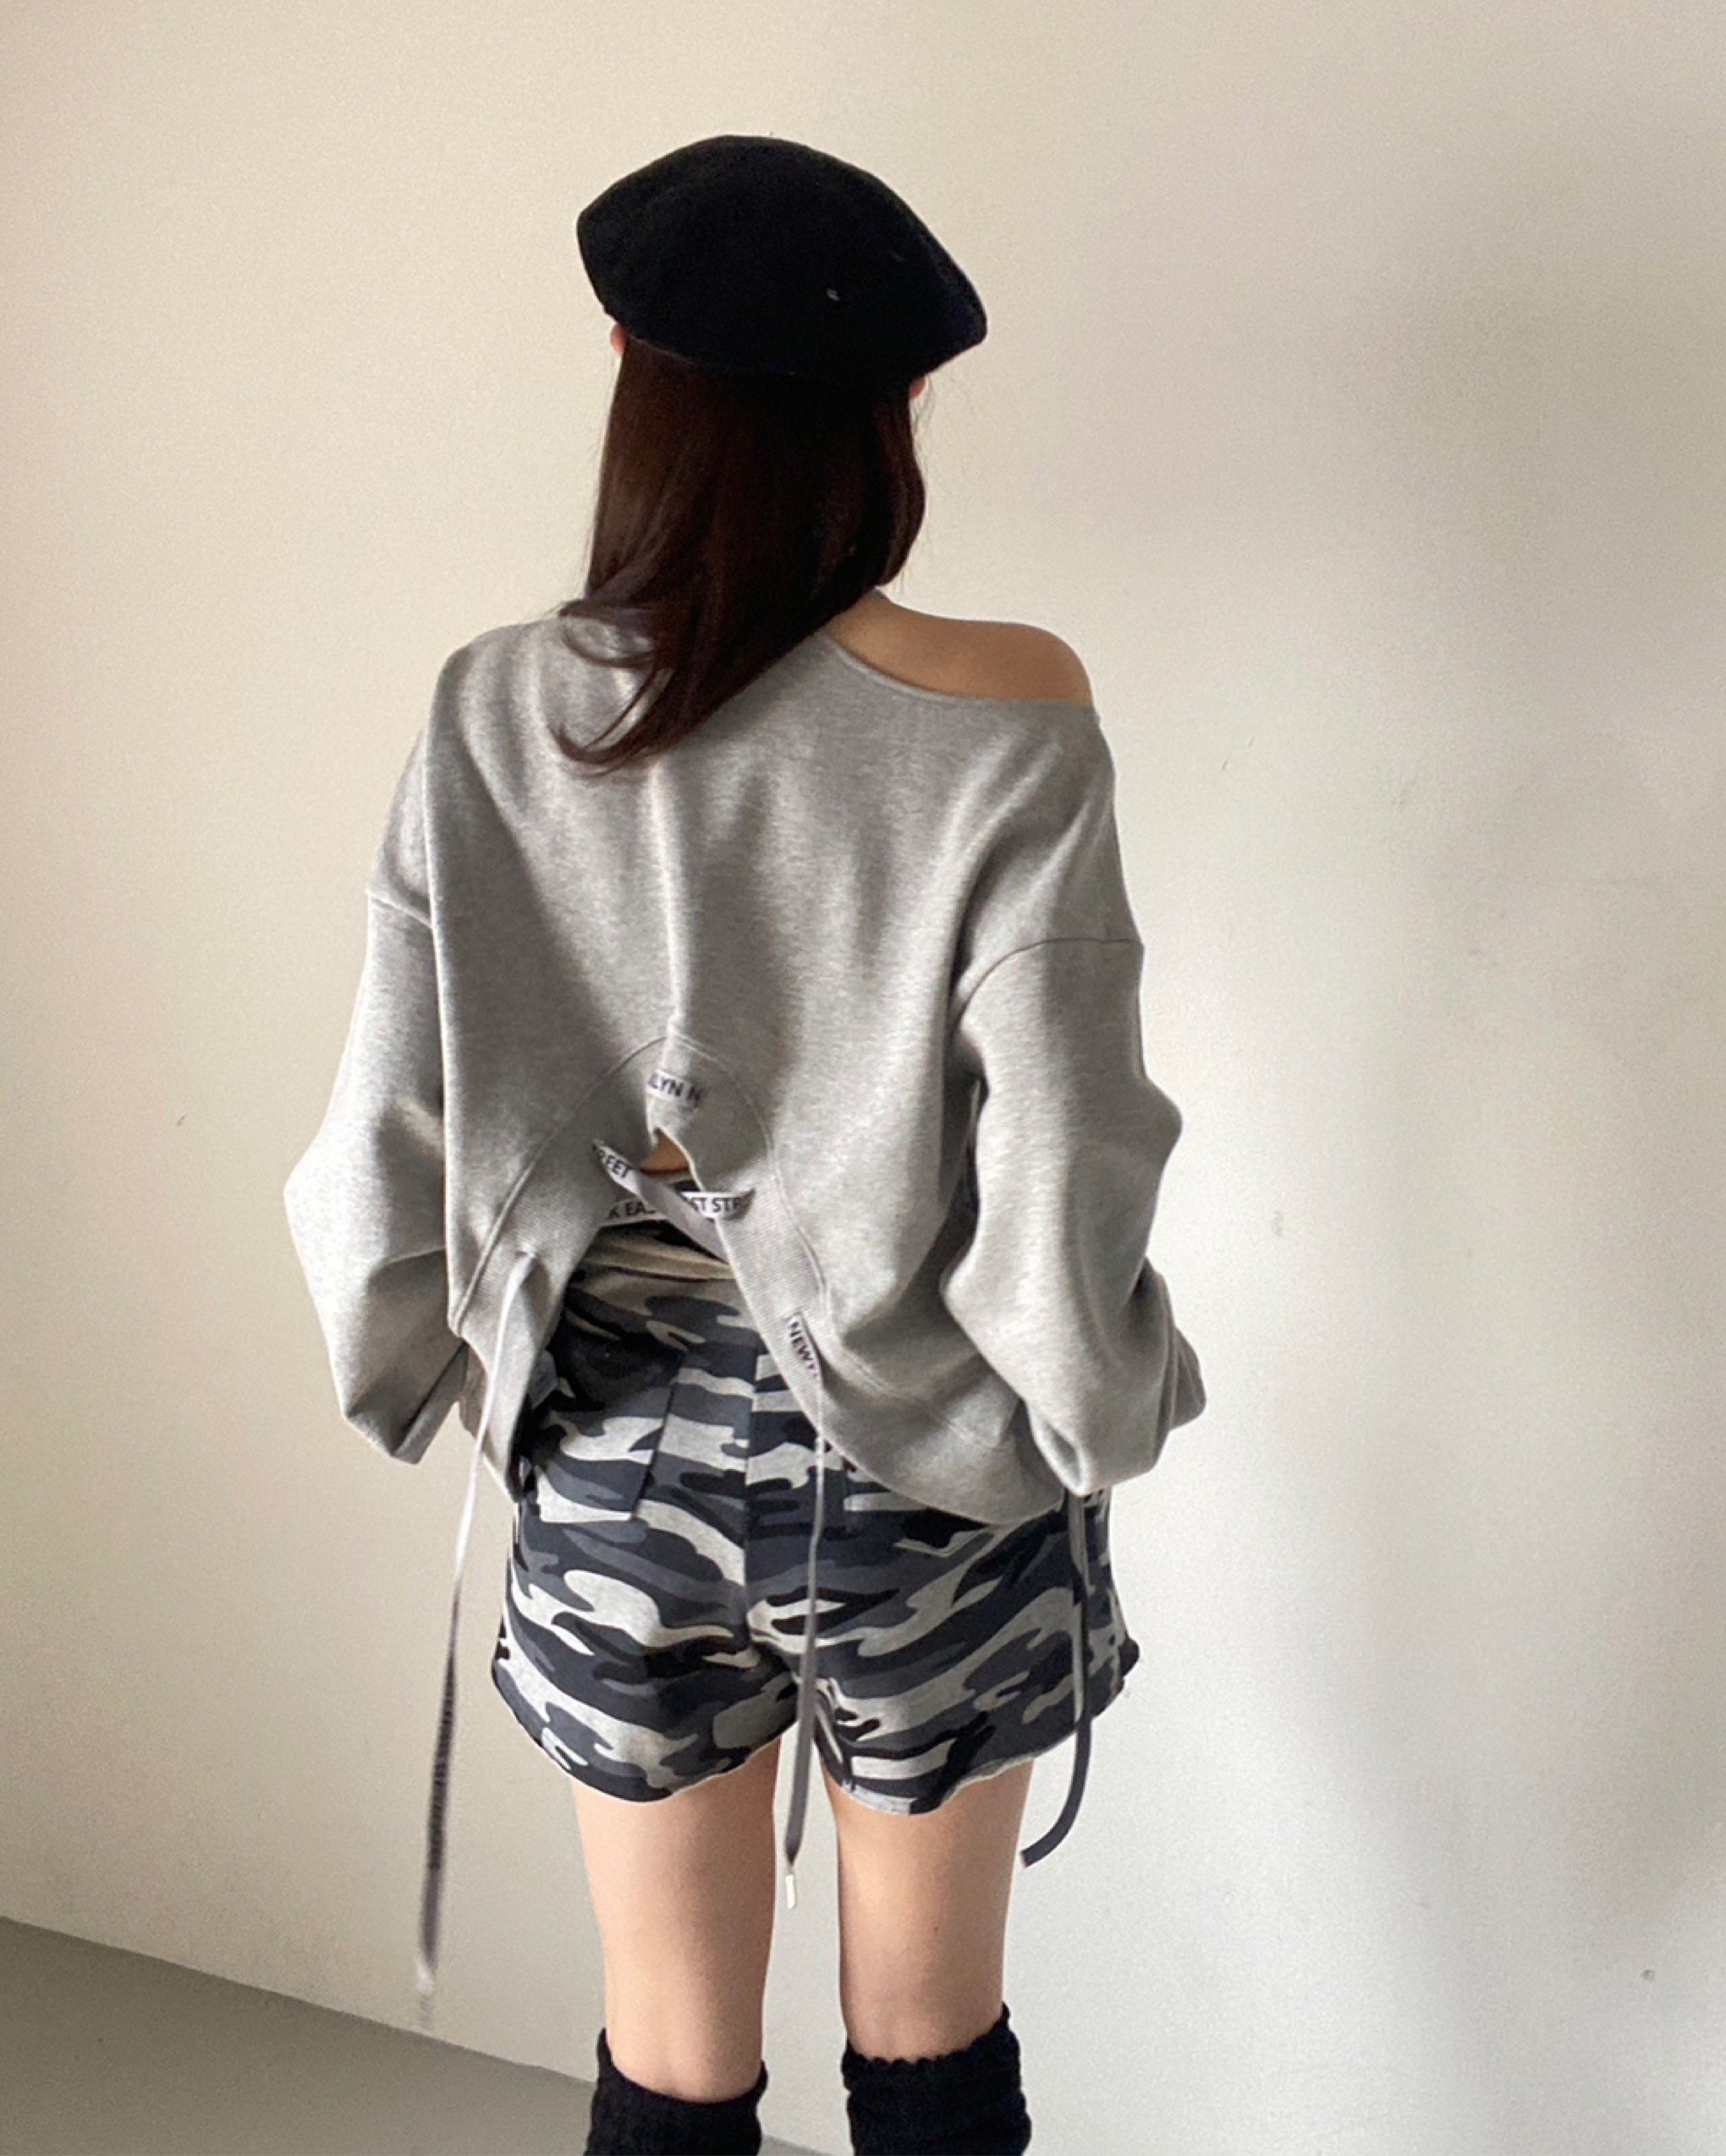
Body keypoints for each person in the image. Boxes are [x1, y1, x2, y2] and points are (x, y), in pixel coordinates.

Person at [283, 133, 1207, 2156]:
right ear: (893, 410)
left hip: (617, 1462)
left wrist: (431, 1367)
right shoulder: (1012, 708)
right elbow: (1066, 1164)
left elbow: (383, 1135)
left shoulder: (493, 711)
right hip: (926, 1476)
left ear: (636, 377)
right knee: (933, 2051)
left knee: (670, 2059)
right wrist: (1095, 1413)